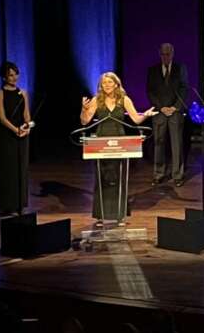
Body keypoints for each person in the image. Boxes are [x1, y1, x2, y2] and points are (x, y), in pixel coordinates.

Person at [81, 72, 156, 226]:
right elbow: (85, 121)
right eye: (104, 83)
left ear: (116, 84)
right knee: (102, 178)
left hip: (120, 142)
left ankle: (120, 215)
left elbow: (136, 119)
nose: (107, 85)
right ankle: (101, 215)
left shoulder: (124, 99)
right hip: (101, 142)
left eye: (110, 82)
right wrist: (84, 109)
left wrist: (146, 115)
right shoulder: (97, 100)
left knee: (118, 177)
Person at [146, 43, 189, 186]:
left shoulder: (180, 68)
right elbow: (150, 91)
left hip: (175, 112)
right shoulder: (152, 70)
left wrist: (175, 107)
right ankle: (159, 174)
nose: (166, 57)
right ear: (159, 54)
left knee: (177, 144)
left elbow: (184, 89)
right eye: (163, 54)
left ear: (173, 53)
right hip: (159, 112)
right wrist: (161, 107)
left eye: (168, 54)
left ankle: (178, 175)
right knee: (159, 143)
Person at [0, 61, 31, 215]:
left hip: (22, 134)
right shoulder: (0, 94)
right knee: (9, 169)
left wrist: (27, 127)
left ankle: (20, 204)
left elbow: (26, 113)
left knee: (21, 168)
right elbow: (1, 117)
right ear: (4, 77)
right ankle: (9, 205)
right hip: (7, 135)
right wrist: (15, 129)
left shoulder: (23, 93)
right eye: (10, 75)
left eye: (16, 74)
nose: (14, 78)